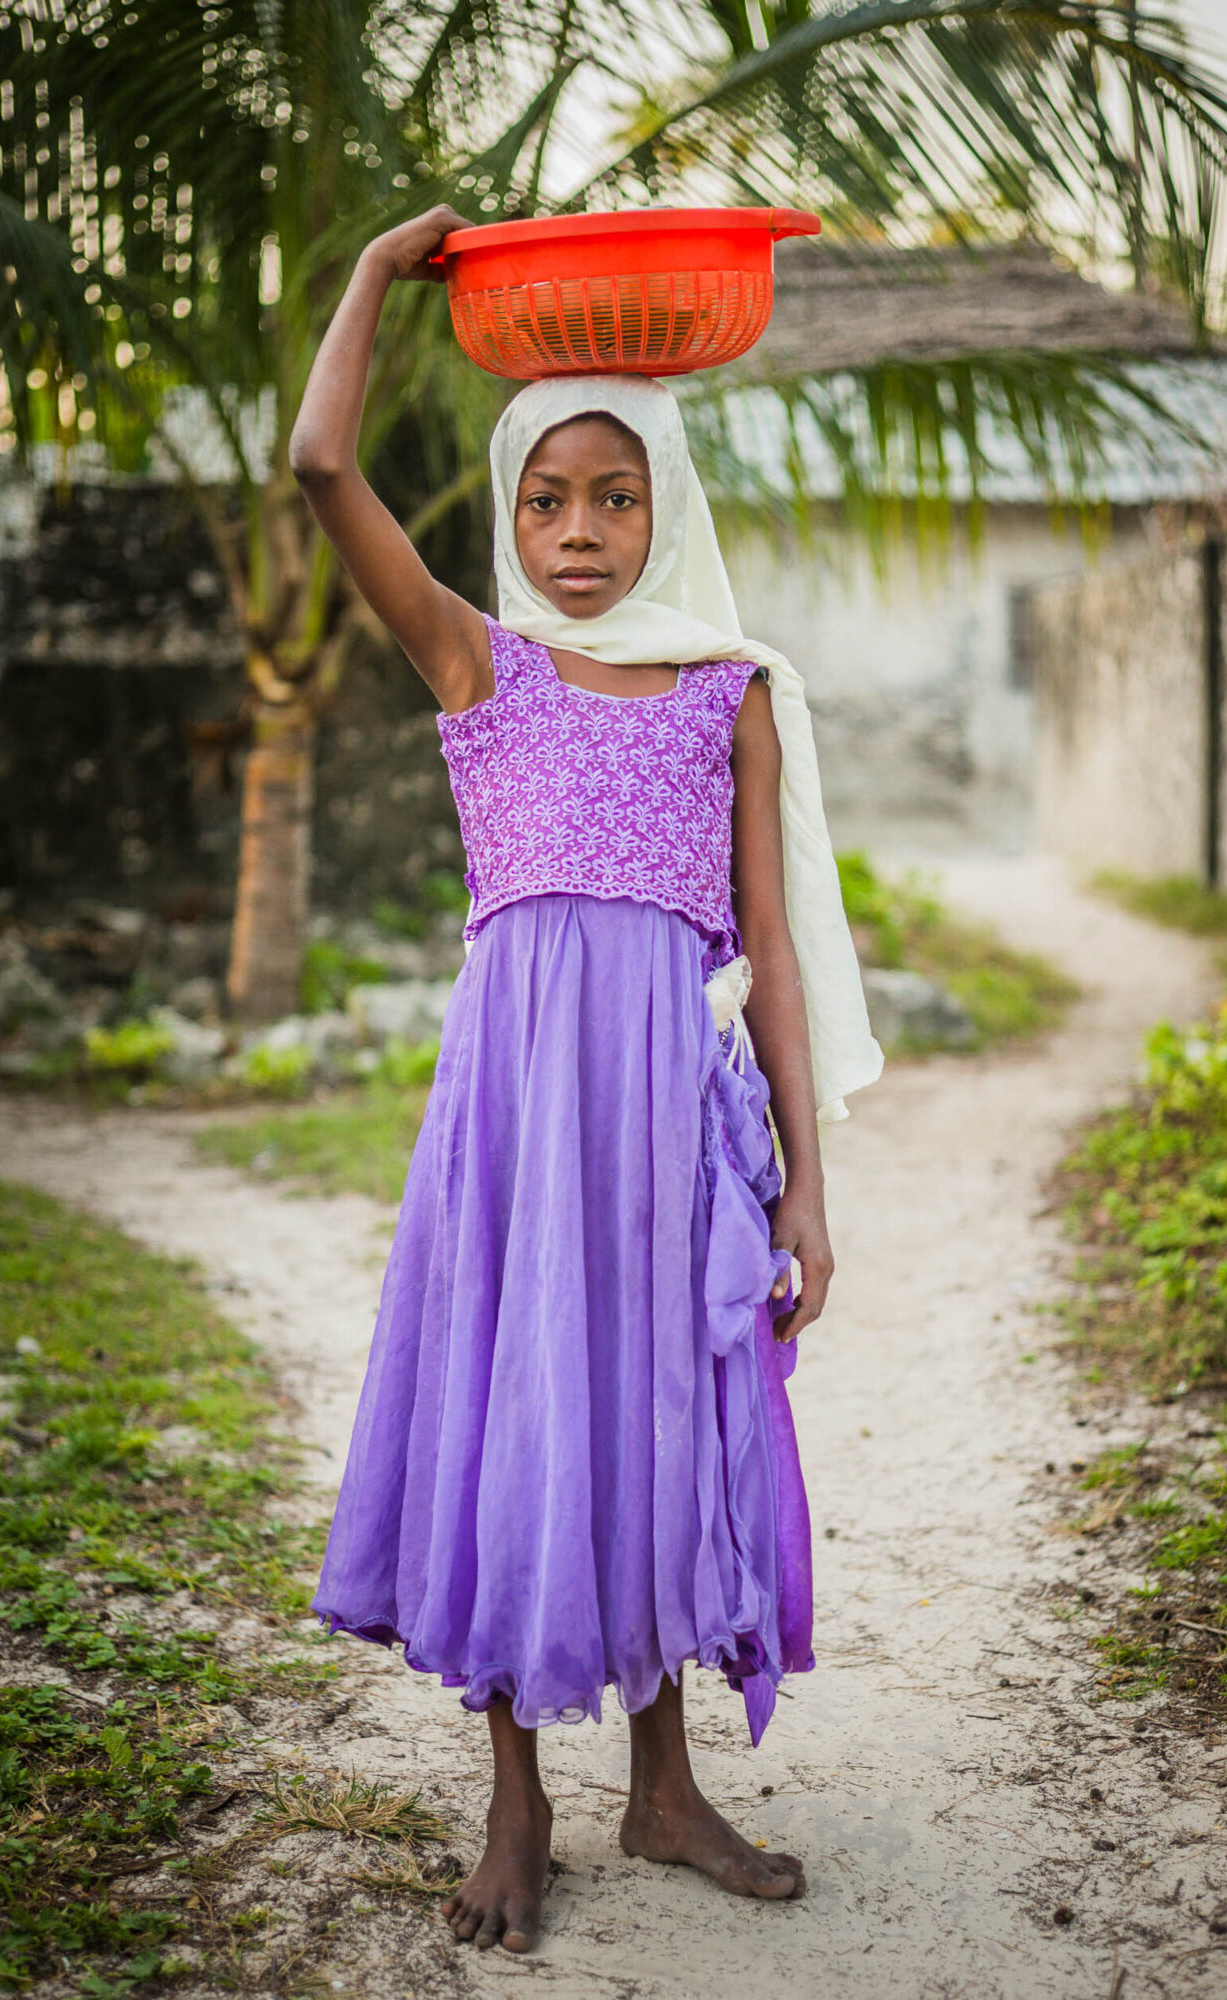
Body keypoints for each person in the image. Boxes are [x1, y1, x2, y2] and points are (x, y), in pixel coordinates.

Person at [288, 205, 883, 1957]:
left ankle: (667, 1782)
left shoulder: (730, 690)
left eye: (614, 498)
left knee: (656, 1412)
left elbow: (768, 955)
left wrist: (803, 1182)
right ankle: (516, 1802)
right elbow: (321, 463)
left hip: (670, 1127)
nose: (576, 531)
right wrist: (377, 277)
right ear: (507, 507)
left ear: (667, 504)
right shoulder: (484, 662)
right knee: (520, 1404)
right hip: (523, 1116)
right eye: (546, 499)